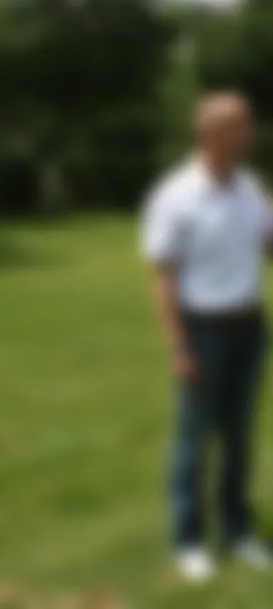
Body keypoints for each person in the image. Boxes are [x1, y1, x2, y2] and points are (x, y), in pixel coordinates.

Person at [141, 90, 273, 583]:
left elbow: (269, 245)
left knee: (239, 438)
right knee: (195, 441)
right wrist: (179, 346)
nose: (250, 133)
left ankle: (238, 532)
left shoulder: (249, 190)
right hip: (203, 331)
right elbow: (164, 277)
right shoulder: (177, 196)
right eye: (241, 125)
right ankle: (190, 540)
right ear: (213, 133)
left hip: (249, 327)